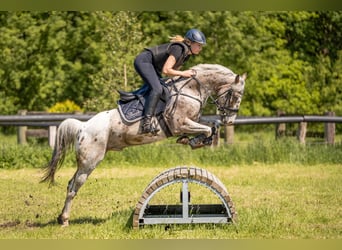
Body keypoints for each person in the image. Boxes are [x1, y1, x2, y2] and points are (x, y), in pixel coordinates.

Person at [134, 28, 206, 135]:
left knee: (166, 90)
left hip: (153, 67)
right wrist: (184, 73)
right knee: (157, 89)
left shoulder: (186, 55)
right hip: (144, 61)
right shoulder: (178, 49)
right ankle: (146, 123)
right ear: (189, 42)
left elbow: (173, 73)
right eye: (199, 45)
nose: (200, 48)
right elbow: (166, 70)